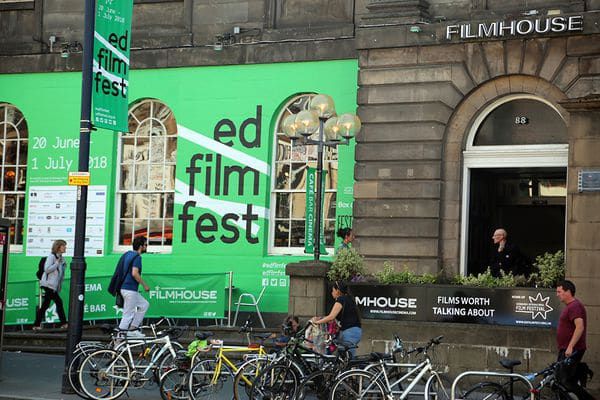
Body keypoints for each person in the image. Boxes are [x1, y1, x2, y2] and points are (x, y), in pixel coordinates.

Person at [555, 280, 594, 400]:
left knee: (564, 381)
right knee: (562, 380)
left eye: (559, 291)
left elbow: (580, 327)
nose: (557, 294)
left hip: (572, 350)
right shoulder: (571, 306)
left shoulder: (574, 306)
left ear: (568, 292)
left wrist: (570, 346)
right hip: (568, 349)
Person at [312, 280, 361, 357]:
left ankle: (360, 368)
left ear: (337, 290)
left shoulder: (341, 299)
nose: (332, 293)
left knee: (348, 358)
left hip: (349, 332)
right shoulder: (348, 299)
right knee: (342, 357)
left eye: (333, 290)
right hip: (353, 331)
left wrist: (317, 322)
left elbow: (331, 316)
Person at [118, 236, 150, 337]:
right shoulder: (137, 257)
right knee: (127, 315)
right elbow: (134, 273)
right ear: (141, 246)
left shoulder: (128, 254)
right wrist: (145, 285)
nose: (146, 247)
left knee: (144, 305)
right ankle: (118, 341)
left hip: (126, 288)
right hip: (130, 289)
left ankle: (133, 329)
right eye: (145, 245)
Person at [33, 240, 68, 330]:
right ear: (58, 247)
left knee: (46, 305)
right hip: (48, 284)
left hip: (53, 286)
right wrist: (57, 263)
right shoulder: (51, 257)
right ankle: (64, 323)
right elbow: (47, 269)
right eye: (63, 246)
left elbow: (60, 275)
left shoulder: (61, 258)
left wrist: (62, 264)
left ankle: (36, 324)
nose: (65, 248)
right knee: (58, 302)